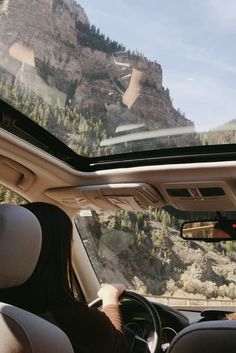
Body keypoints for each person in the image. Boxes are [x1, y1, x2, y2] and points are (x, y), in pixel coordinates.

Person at [0, 202, 128, 353]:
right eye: (70, 243)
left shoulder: (6, 313)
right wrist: (110, 298)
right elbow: (118, 346)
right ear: (59, 253)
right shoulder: (78, 323)